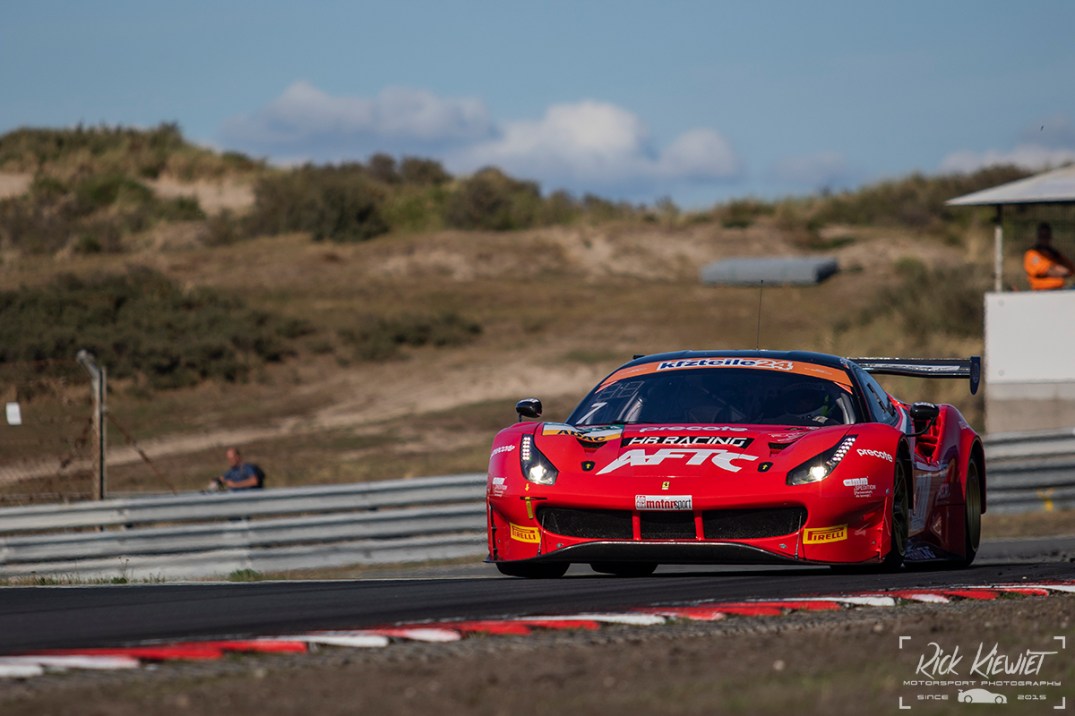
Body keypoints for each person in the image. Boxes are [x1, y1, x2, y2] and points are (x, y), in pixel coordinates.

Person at [1024, 222, 1075, 290]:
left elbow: (1070, 269)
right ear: (1038, 237)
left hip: (1061, 290)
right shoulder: (1031, 254)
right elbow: (1048, 270)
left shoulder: (1055, 254)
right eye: (1042, 236)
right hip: (1043, 292)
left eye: (1046, 236)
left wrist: (1064, 271)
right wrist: (1062, 271)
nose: (1044, 239)